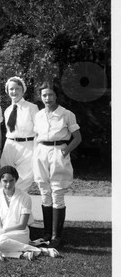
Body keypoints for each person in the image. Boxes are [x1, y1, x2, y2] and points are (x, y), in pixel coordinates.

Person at [0, 166, 59, 260]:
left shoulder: (25, 197)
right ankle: (21, 254)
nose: (8, 184)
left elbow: (22, 225)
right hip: (2, 234)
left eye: (11, 181)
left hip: (20, 233)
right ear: (0, 181)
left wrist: (2, 232)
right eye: (5, 181)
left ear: (16, 180)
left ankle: (37, 250)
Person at [33, 83, 82, 248]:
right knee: (44, 191)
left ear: (56, 96)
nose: (47, 98)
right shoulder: (38, 115)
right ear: (41, 97)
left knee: (57, 192)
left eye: (51, 95)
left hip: (58, 151)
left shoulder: (66, 114)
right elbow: (37, 136)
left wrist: (64, 152)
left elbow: (77, 138)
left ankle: (56, 236)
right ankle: (47, 233)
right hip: (41, 152)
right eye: (44, 95)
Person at [0, 76, 39, 193]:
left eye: (17, 89)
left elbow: (38, 130)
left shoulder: (32, 108)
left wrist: (37, 150)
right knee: (6, 178)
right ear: (7, 91)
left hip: (27, 146)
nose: (14, 92)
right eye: (11, 89)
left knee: (23, 179)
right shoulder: (7, 110)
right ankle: (8, 208)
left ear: (23, 90)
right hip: (10, 146)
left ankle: (20, 207)